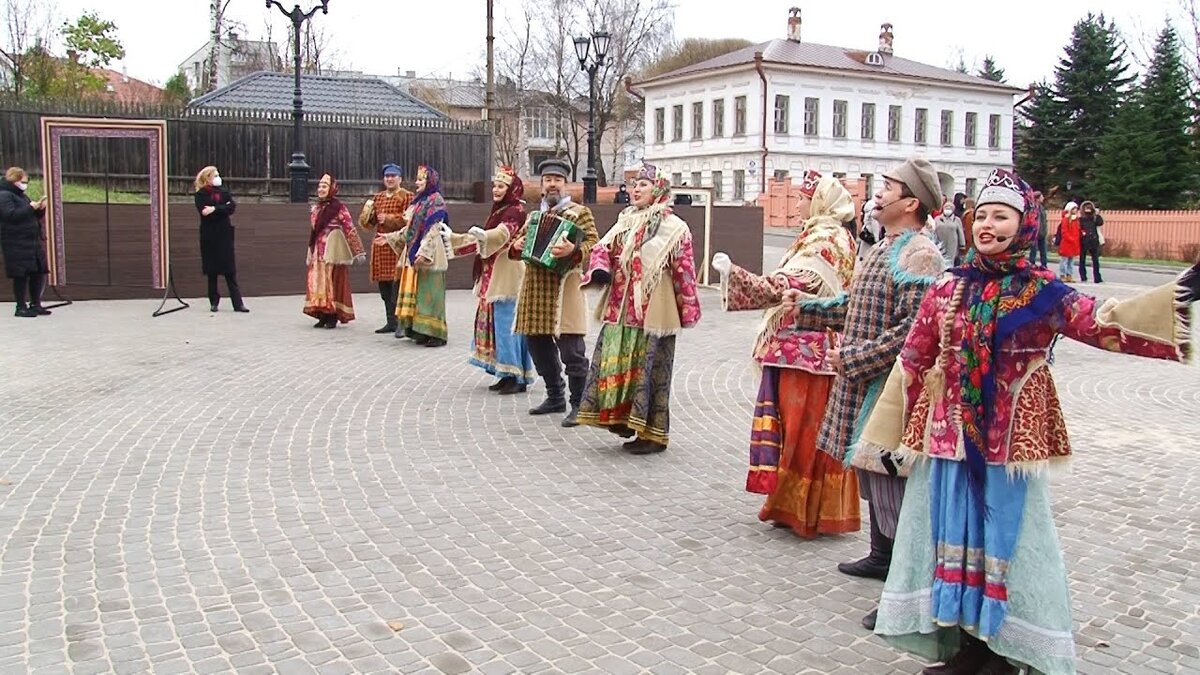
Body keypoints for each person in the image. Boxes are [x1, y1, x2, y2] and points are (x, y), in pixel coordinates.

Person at [868, 167, 1200, 675]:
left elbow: (1098, 321)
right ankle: (966, 649)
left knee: (1009, 547)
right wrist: (887, 433)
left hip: (1009, 447)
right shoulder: (948, 286)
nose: (988, 226)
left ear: (1023, 226)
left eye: (1002, 216)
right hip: (948, 441)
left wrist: (1176, 295)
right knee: (952, 541)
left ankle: (1007, 653)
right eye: (982, 215)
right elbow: (915, 355)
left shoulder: (1042, 291)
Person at [811, 158, 947, 631]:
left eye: (888, 187)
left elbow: (915, 330)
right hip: (870, 382)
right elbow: (856, 305)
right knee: (874, 479)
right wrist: (804, 308)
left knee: (894, 485)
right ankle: (881, 555)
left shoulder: (921, 254)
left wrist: (854, 358)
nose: (877, 193)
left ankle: (905, 593)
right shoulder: (888, 246)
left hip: (895, 390)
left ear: (911, 202)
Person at [711, 169, 860, 534]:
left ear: (821, 201)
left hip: (809, 354)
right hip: (796, 350)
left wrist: (740, 277)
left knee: (803, 433)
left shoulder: (827, 237)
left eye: (803, 198)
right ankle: (788, 504)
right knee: (793, 431)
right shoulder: (819, 234)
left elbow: (794, 285)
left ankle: (804, 510)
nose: (797, 204)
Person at [576, 163, 702, 455]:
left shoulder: (674, 227)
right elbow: (601, 249)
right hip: (621, 309)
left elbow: (685, 271)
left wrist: (688, 310)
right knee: (620, 363)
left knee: (650, 370)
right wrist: (599, 271)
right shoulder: (625, 221)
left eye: (643, 185)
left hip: (653, 312)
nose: (636, 190)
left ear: (658, 189)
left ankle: (654, 435)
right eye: (634, 185)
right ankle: (623, 420)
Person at [508, 157, 600, 426]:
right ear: (541, 184)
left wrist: (575, 250)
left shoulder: (579, 213)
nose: (552, 185)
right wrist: (517, 246)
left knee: (572, 349)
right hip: (535, 288)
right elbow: (516, 246)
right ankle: (554, 395)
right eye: (548, 180)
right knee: (537, 345)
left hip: (564, 288)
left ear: (565, 183)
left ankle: (579, 402)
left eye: (557, 180)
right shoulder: (534, 216)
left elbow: (595, 243)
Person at [450, 166, 535, 393]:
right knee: (498, 326)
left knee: (507, 326)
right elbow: (482, 239)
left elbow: (502, 234)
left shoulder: (515, 210)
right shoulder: (500, 209)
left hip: (508, 275)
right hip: (494, 274)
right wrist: (454, 240)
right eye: (495, 186)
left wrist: (484, 236)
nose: (496, 190)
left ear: (512, 189)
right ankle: (505, 372)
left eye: (501, 186)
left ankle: (515, 375)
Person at [377, 165, 451, 347]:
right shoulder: (420, 201)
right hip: (417, 253)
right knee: (421, 295)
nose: (417, 183)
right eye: (417, 179)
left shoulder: (436, 200)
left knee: (432, 295)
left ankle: (437, 334)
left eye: (420, 180)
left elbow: (434, 228)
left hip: (431, 254)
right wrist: (389, 238)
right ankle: (422, 331)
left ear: (430, 181)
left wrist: (424, 252)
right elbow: (410, 230)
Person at [304, 174, 365, 328]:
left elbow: (349, 228)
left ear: (331, 189)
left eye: (324, 187)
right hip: (318, 250)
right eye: (319, 187)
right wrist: (310, 249)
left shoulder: (339, 207)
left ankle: (332, 315)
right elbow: (313, 231)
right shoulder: (316, 208)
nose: (320, 189)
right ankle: (322, 313)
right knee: (318, 282)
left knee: (331, 282)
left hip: (332, 251)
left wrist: (358, 251)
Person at [359, 163, 413, 333]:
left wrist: (388, 219)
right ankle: (390, 321)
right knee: (384, 288)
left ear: (400, 178)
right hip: (381, 247)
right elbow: (370, 223)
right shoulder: (379, 197)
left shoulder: (407, 196)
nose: (390, 179)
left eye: (393, 176)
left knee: (397, 287)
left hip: (397, 247)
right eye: (387, 176)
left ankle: (401, 323)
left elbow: (409, 220)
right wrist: (367, 216)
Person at [194, 166, 247, 313]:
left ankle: (238, 304)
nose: (218, 177)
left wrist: (215, 209)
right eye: (214, 175)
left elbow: (231, 207)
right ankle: (214, 302)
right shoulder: (201, 194)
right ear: (207, 178)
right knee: (212, 272)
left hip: (224, 234)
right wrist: (221, 208)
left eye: (218, 175)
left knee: (230, 271)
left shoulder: (224, 191)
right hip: (209, 236)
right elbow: (204, 211)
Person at [0, 167, 50, 318]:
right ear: (15, 180)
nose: (25, 184)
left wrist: (39, 209)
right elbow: (10, 215)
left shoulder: (21, 196)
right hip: (16, 243)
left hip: (32, 242)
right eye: (23, 181)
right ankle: (20, 307)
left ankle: (35, 303)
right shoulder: (4, 196)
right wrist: (30, 208)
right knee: (21, 275)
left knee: (38, 272)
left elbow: (29, 216)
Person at [932, 199, 965, 267]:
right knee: (940, 259)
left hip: (952, 243)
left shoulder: (956, 219)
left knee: (950, 261)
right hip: (939, 242)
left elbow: (960, 232)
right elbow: (933, 231)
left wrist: (962, 244)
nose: (948, 209)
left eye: (950, 208)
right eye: (946, 207)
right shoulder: (937, 219)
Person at [1078, 200, 1104, 283]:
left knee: (1095, 260)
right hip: (1084, 241)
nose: (1088, 209)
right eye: (1086, 208)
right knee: (1082, 259)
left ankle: (1097, 277)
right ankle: (1083, 276)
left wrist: (1097, 214)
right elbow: (1079, 228)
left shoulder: (1094, 218)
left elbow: (1100, 223)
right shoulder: (1081, 219)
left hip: (1093, 240)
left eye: (1089, 208)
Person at [1054, 202, 1080, 282]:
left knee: (1071, 261)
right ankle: (1062, 274)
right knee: (1064, 260)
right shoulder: (1065, 220)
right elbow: (1064, 232)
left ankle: (1069, 275)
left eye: (1076, 209)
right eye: (1074, 209)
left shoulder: (1076, 220)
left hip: (1074, 243)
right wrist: (1071, 238)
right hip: (1066, 243)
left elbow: (1077, 231)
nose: (1075, 210)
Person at [1027, 191, 1048, 267]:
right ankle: (1032, 263)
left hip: (1042, 232)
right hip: (1035, 232)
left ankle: (1044, 265)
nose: (1043, 198)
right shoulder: (1033, 208)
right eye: (1042, 197)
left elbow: (1044, 220)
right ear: (1037, 198)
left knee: (1044, 251)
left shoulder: (1042, 208)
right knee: (1033, 250)